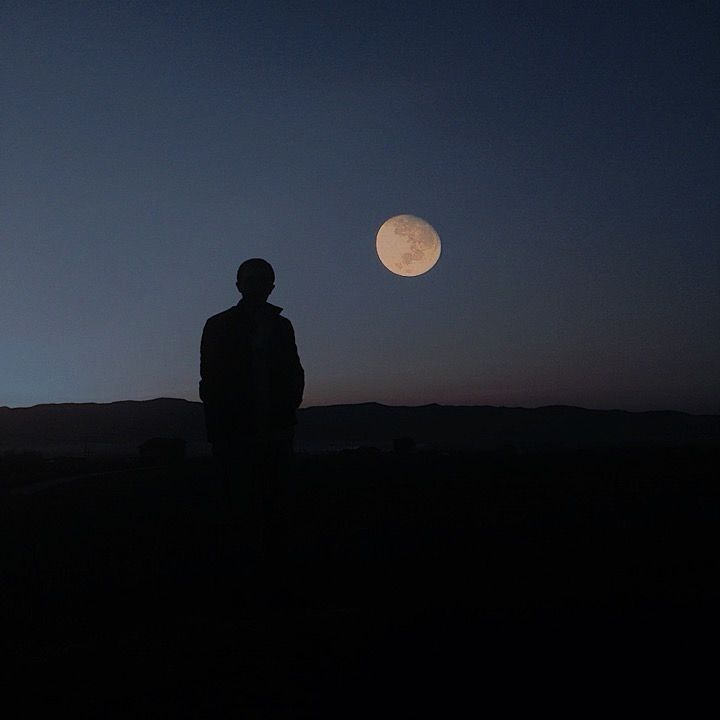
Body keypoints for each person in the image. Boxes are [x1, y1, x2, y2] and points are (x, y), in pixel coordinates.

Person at [200, 258, 304, 592]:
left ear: (271, 286)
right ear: (239, 284)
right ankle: (239, 576)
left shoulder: (281, 327)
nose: (257, 285)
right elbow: (210, 380)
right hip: (235, 429)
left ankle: (272, 575)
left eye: (263, 279)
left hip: (275, 426)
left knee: (274, 502)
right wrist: (219, 426)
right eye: (251, 278)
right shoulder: (218, 325)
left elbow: (293, 372)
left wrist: (287, 412)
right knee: (237, 504)